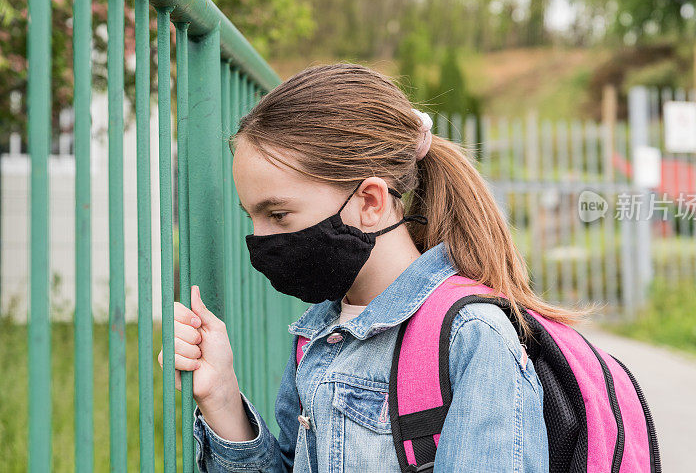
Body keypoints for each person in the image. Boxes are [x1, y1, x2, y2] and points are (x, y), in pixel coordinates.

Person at [158, 63, 588, 472]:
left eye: (279, 215)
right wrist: (222, 397)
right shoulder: (317, 335)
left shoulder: (471, 337)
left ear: (369, 202)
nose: (261, 240)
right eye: (252, 216)